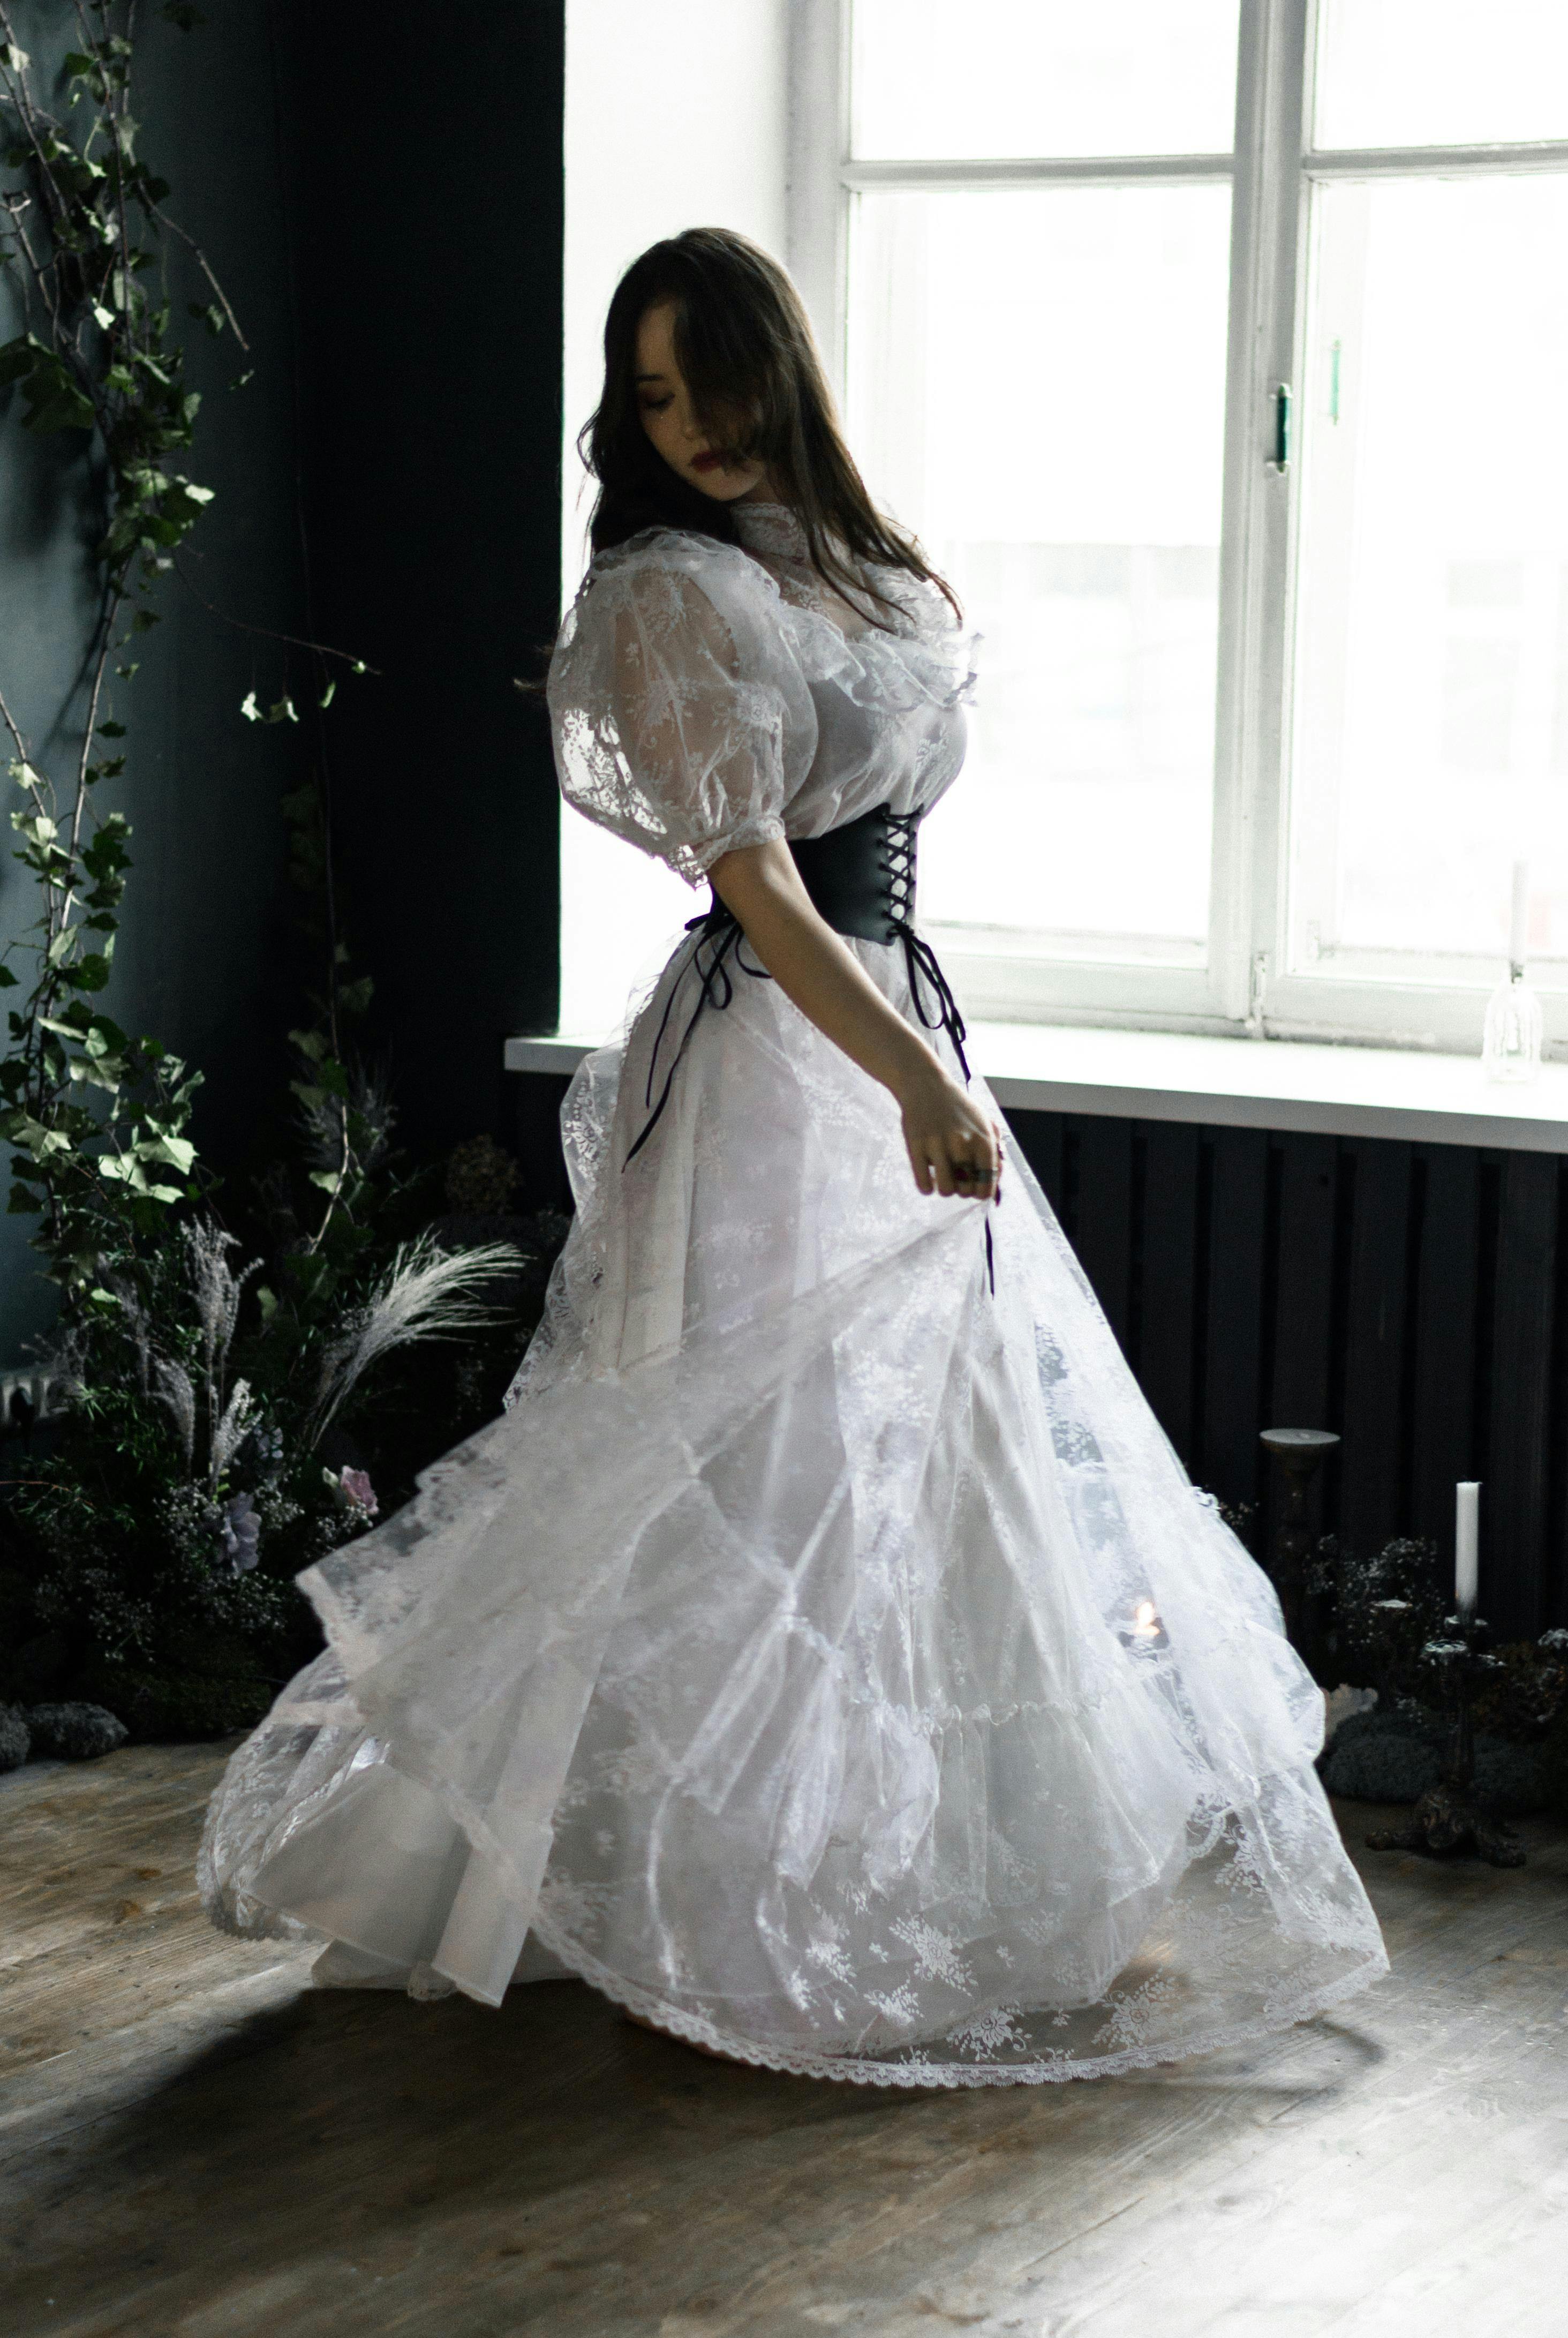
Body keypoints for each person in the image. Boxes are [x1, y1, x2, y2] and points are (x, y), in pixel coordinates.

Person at [200, 228, 1387, 2085]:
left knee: (934, 1450)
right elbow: (750, 874)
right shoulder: (668, 593)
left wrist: (922, 1061)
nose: (693, 429)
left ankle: (940, 1877)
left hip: (889, 1011)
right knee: (755, 1458)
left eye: (716, 384)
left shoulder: (862, 571)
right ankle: (719, 1892)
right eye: (655, 399)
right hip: (781, 1043)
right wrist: (913, 1076)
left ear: (782, 372)